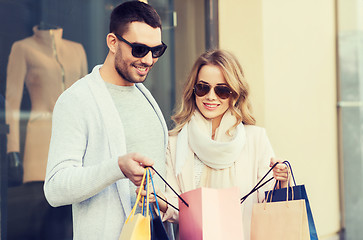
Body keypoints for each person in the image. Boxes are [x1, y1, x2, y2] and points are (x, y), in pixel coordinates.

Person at [43, 1, 169, 239]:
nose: (149, 60)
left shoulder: (147, 97)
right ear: (113, 42)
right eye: (140, 49)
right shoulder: (77, 100)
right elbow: (55, 188)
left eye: (157, 50)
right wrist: (117, 167)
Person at [144, 49, 289, 240]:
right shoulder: (176, 142)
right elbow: (177, 208)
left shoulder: (255, 139)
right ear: (193, 90)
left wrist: (282, 180)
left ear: (235, 94)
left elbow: (268, 204)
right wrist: (159, 200)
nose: (211, 97)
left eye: (222, 90)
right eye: (203, 88)